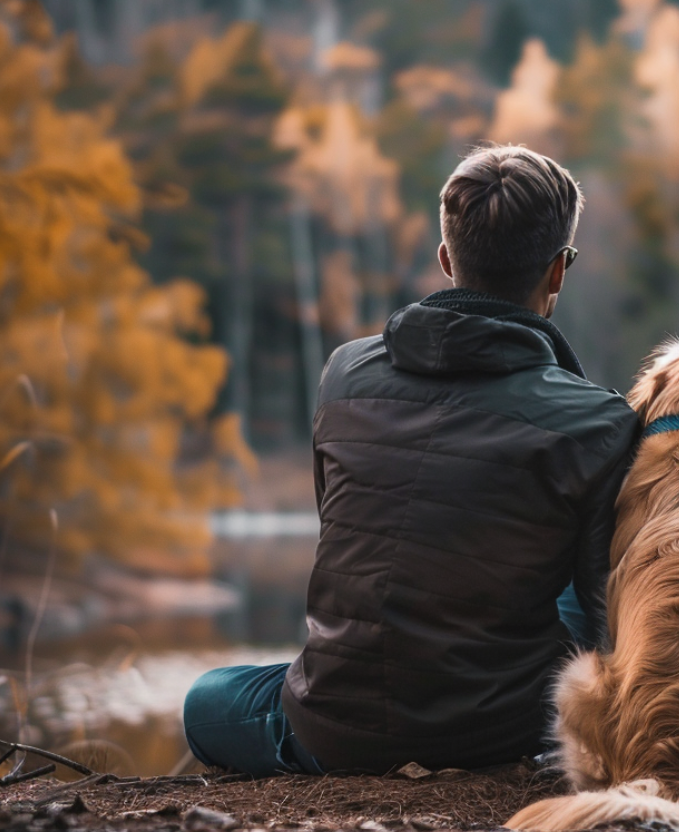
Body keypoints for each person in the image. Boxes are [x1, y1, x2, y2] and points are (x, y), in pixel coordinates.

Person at [183, 145, 639, 776]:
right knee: (572, 579)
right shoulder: (601, 422)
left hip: (333, 727)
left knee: (206, 701)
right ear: (558, 271)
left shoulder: (344, 372)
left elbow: (351, 537)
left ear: (447, 259)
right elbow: (602, 616)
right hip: (501, 730)